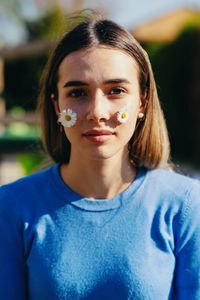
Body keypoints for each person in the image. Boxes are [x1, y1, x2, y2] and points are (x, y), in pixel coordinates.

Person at [0, 11, 200, 300]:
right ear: (57, 106)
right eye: (78, 93)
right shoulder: (11, 208)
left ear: (142, 102)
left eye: (116, 90)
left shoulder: (185, 206)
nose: (97, 112)